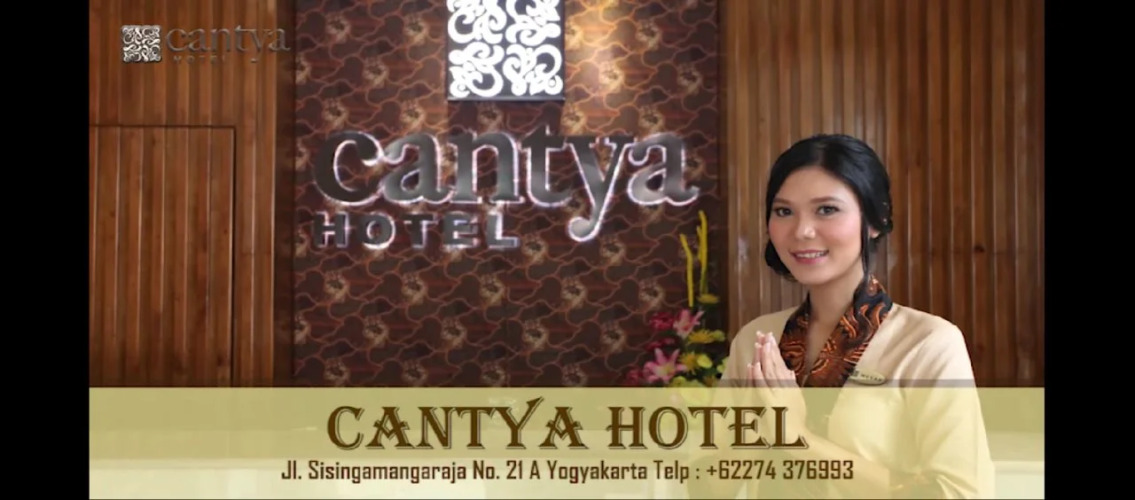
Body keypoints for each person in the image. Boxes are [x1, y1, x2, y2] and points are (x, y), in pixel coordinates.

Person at [690, 134, 994, 499]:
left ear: (876, 219)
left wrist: (799, 438)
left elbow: (959, 493)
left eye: (826, 210)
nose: (802, 231)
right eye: (784, 211)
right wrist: (755, 434)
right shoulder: (758, 340)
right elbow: (705, 488)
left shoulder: (926, 343)